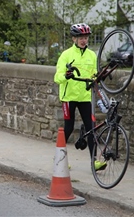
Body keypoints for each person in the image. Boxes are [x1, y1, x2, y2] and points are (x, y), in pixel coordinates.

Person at [54, 23, 107, 171]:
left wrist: (100, 78)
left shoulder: (92, 55)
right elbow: (57, 77)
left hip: (85, 97)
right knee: (69, 128)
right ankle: (60, 158)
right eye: (80, 38)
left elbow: (94, 76)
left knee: (91, 129)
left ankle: (94, 162)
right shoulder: (66, 55)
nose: (84, 40)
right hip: (68, 97)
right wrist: (66, 75)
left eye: (85, 37)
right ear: (73, 39)